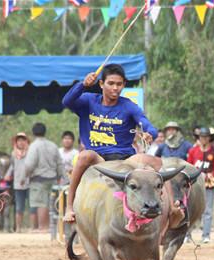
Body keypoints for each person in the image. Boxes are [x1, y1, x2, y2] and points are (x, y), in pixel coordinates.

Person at [62, 64, 158, 222]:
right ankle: (69, 208)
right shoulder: (88, 100)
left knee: (155, 162)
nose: (115, 88)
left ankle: (170, 208)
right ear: (101, 84)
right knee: (84, 155)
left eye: (119, 84)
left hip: (125, 158)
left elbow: (146, 123)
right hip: (98, 158)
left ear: (124, 85)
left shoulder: (129, 106)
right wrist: (82, 85)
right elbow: (67, 101)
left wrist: (150, 133)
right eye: (111, 83)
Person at [24, 123, 64, 233]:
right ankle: (50, 227)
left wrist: (25, 176)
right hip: (52, 178)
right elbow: (59, 163)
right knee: (51, 203)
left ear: (33, 133)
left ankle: (43, 227)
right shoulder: (53, 145)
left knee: (41, 203)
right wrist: (60, 176)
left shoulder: (34, 146)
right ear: (45, 132)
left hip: (38, 179)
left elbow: (29, 164)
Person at [187, 127, 214, 243]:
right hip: (195, 182)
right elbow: (189, 167)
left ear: (209, 138)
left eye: (206, 137)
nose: (204, 139)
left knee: (208, 209)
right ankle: (187, 234)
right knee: (190, 208)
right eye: (202, 137)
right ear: (199, 138)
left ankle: (206, 235)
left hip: (208, 181)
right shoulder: (193, 151)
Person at [4, 132, 36, 233]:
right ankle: (18, 228)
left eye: (23, 140)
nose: (21, 142)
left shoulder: (31, 152)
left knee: (32, 206)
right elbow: (12, 166)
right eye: (19, 140)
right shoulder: (14, 154)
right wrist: (7, 174)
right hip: (18, 183)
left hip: (30, 182)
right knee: (19, 207)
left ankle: (33, 228)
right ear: (16, 142)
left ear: (27, 141)